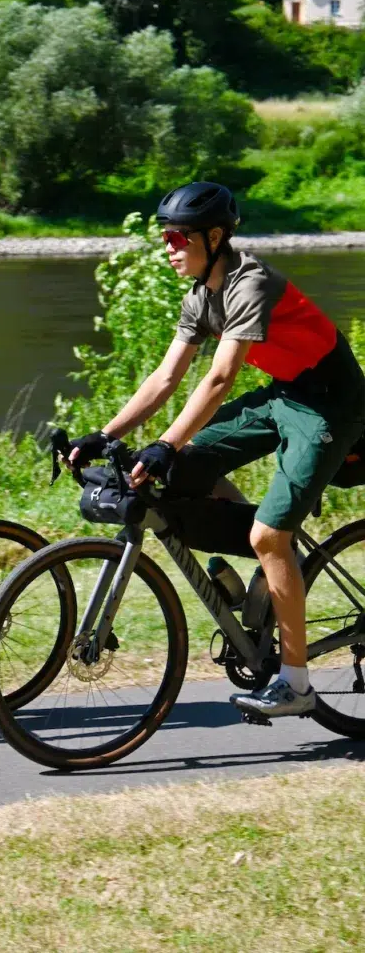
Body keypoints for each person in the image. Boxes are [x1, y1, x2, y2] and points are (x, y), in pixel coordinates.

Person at [67, 182, 365, 720]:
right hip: (283, 394)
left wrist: (163, 441)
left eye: (178, 236)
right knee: (180, 474)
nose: (168, 246)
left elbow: (221, 377)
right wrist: (107, 434)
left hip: (330, 406)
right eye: (165, 236)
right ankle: (270, 568)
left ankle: (295, 683)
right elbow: (165, 377)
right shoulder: (201, 296)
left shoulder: (250, 284)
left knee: (267, 534)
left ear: (215, 235)